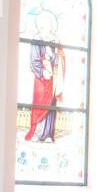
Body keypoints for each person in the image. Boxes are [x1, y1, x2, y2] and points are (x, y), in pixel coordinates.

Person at [24, 11, 65, 143]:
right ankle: (37, 132)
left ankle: (48, 134)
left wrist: (53, 57)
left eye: (49, 24)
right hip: (41, 79)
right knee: (39, 103)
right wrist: (42, 72)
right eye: (44, 24)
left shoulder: (55, 40)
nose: (46, 26)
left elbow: (59, 57)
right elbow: (34, 59)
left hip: (53, 78)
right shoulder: (37, 39)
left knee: (51, 105)